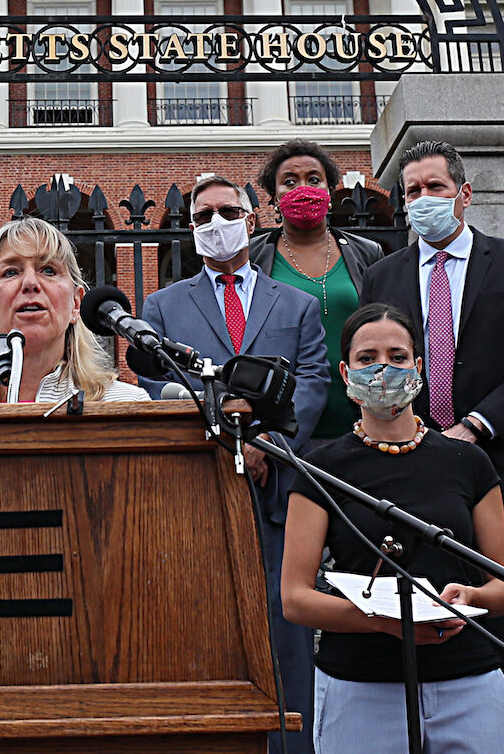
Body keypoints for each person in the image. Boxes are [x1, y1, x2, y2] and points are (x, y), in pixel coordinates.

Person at [360, 140, 504, 754]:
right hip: (416, 474)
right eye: (412, 192)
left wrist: (478, 425)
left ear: (464, 193)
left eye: (433, 187)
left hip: (499, 469)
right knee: (425, 620)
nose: (423, 200)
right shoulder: (385, 275)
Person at [143, 174, 330, 754]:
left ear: (251, 221)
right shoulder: (163, 306)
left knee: (286, 626)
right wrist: (224, 432)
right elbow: (154, 383)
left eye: (227, 211)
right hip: (200, 489)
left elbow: (314, 379)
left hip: (277, 491)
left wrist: (267, 440)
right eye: (203, 216)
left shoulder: (296, 305)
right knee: (206, 624)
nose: (215, 223)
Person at [281, 303, 504, 754]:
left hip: (467, 681)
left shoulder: (468, 461)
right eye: (367, 358)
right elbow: (295, 599)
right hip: (360, 686)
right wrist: (384, 622)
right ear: (345, 373)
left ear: (419, 366)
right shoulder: (320, 468)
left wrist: (471, 598)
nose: (383, 369)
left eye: (397, 356)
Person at [249, 139, 387, 440]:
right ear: (274, 196)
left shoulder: (367, 252)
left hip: (359, 416)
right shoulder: (253, 257)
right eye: (289, 182)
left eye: (314, 180)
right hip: (281, 421)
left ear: (329, 190)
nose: (302, 188)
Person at [0, 217, 148, 405]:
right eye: (10, 272)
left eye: (48, 270)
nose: (30, 283)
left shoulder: (130, 405)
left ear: (76, 304)